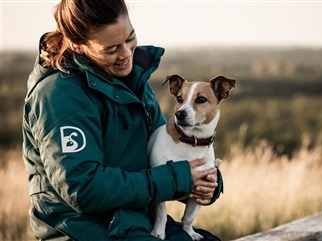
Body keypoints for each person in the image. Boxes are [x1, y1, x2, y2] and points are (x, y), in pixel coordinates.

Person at [22, 0, 223, 240]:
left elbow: (165, 151)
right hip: (82, 228)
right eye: (111, 49)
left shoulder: (132, 81)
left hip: (137, 217)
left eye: (130, 39)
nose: (127, 54)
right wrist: (178, 178)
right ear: (77, 44)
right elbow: (84, 189)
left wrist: (205, 181)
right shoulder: (59, 96)